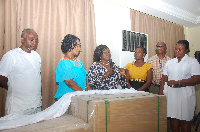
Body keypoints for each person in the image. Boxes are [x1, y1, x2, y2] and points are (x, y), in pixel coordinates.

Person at [159, 40, 200, 132]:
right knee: (173, 120)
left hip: (185, 94)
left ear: (186, 50)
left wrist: (178, 82)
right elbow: (164, 79)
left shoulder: (192, 62)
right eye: (175, 49)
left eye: (180, 49)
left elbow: (197, 79)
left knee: (185, 121)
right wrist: (160, 95)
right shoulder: (170, 62)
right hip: (172, 94)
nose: (177, 51)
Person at [0, 28, 42, 115]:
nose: (34, 42)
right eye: (31, 39)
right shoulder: (11, 56)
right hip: (18, 107)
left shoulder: (36, 56)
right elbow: (1, 78)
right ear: (22, 39)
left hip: (36, 105)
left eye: (36, 40)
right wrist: (14, 87)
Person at [54, 34, 87, 100]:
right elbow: (69, 82)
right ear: (69, 46)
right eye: (77, 46)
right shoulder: (64, 62)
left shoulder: (79, 62)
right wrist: (83, 92)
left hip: (79, 96)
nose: (79, 48)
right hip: (68, 98)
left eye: (80, 46)